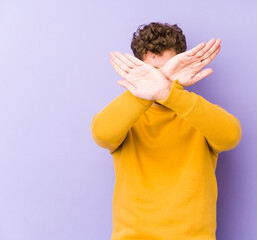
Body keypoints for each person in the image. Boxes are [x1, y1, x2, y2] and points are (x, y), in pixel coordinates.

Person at [91, 22, 242, 240]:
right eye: (152, 73)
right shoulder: (126, 117)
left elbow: (230, 136)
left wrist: (169, 92)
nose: (159, 80)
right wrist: (144, 91)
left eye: (167, 70)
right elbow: (101, 134)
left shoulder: (200, 114)